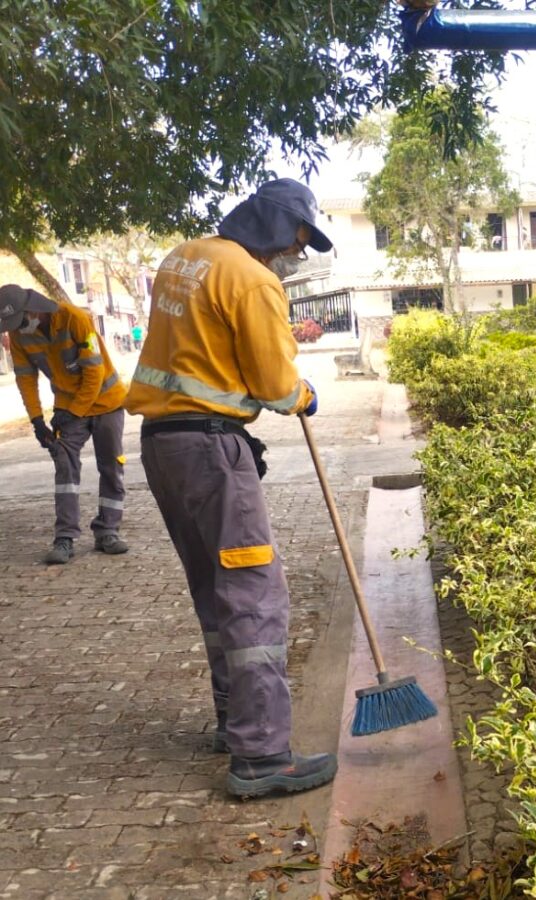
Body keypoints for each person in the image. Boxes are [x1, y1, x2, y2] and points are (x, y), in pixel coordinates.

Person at [124, 178, 337, 799]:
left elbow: (207, 350)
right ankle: (263, 754)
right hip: (214, 452)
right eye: (295, 243)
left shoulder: (184, 258)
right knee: (253, 593)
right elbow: (275, 387)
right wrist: (305, 395)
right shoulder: (250, 278)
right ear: (273, 228)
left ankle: (233, 721)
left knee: (213, 587)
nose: (293, 257)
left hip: (164, 446)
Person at [0, 285, 129, 564]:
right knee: (64, 461)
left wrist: (73, 412)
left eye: (20, 321)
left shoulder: (75, 319)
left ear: (33, 309)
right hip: (68, 405)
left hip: (107, 403)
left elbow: (94, 372)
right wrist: (36, 421)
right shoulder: (19, 336)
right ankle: (65, 538)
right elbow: (25, 379)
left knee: (110, 465)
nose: (19, 328)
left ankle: (108, 531)